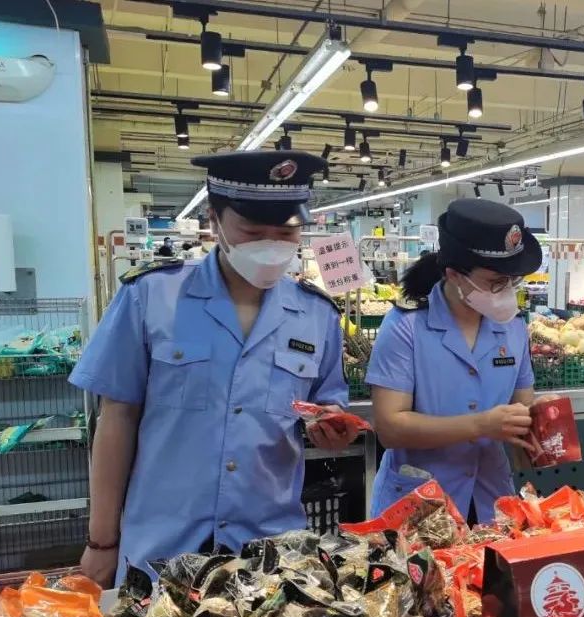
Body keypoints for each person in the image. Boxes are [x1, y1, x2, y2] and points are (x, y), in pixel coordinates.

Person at [70, 150, 359, 587]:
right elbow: (116, 420)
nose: (271, 244)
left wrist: (332, 425)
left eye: (286, 232)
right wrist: (101, 541)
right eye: (253, 231)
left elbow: (327, 402)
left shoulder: (315, 314)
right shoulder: (150, 297)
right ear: (213, 221)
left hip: (267, 553)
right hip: (163, 549)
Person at [365, 199, 543, 522]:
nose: (506, 292)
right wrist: (481, 425)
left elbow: (523, 418)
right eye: (495, 282)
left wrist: (543, 423)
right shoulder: (406, 327)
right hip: (419, 508)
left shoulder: (514, 329)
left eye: (513, 281)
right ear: (455, 275)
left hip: (491, 502)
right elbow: (390, 426)